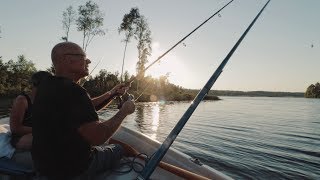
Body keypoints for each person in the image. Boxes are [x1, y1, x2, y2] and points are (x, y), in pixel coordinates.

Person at [31, 42, 136, 179]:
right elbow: (98, 137)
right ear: (68, 60)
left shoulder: (46, 87)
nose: (89, 61)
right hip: (73, 170)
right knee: (119, 149)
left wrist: (112, 93)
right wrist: (124, 111)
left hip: (45, 167)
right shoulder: (74, 91)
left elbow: (83, 107)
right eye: (83, 57)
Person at [9, 71, 52, 150]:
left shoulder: (46, 102)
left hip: (39, 134)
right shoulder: (22, 100)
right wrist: (42, 130)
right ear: (35, 85)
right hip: (21, 138)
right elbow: (15, 128)